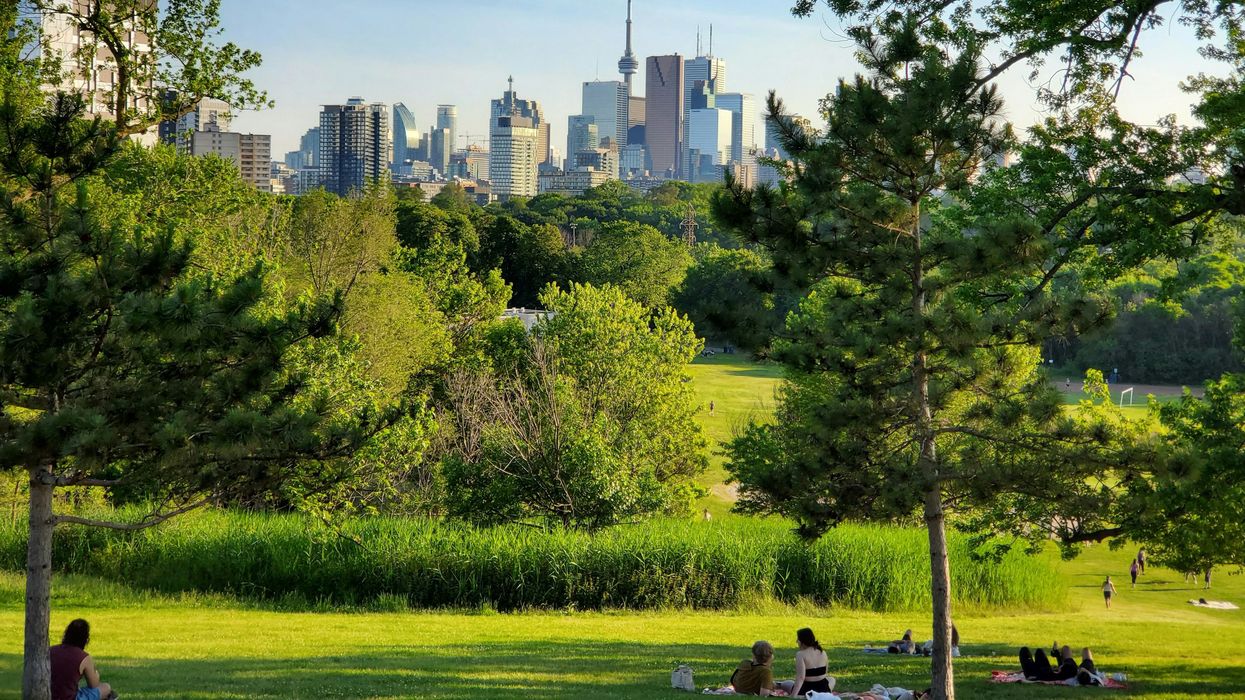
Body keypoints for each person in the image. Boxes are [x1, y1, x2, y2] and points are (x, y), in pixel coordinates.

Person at [50, 619, 116, 700]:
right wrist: (96, 673)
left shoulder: (51, 650)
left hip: (50, 695)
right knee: (106, 687)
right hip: (71, 698)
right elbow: (94, 685)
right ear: (86, 639)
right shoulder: (83, 657)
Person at [777, 628, 833, 697]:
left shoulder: (801, 654)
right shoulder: (823, 652)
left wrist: (793, 695)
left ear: (802, 641)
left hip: (806, 690)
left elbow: (801, 678)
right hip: (823, 689)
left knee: (787, 683)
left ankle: (778, 684)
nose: (796, 641)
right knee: (831, 679)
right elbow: (825, 673)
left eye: (798, 639)